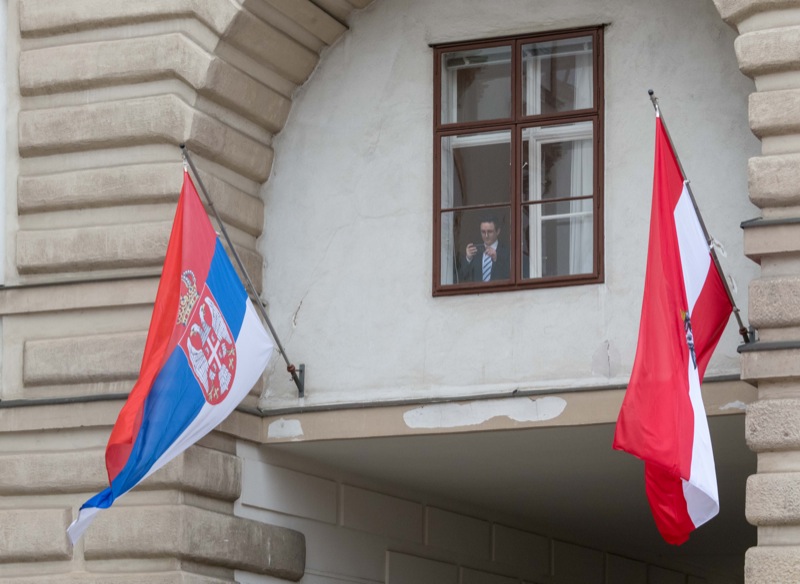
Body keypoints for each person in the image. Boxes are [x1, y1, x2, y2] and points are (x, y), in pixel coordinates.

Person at [458, 217, 510, 282]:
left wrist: (496, 258)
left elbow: (510, 275)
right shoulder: (475, 253)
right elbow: (462, 278)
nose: (486, 235)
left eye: (490, 232)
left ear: (498, 231)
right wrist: (468, 258)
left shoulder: (506, 252)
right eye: (483, 232)